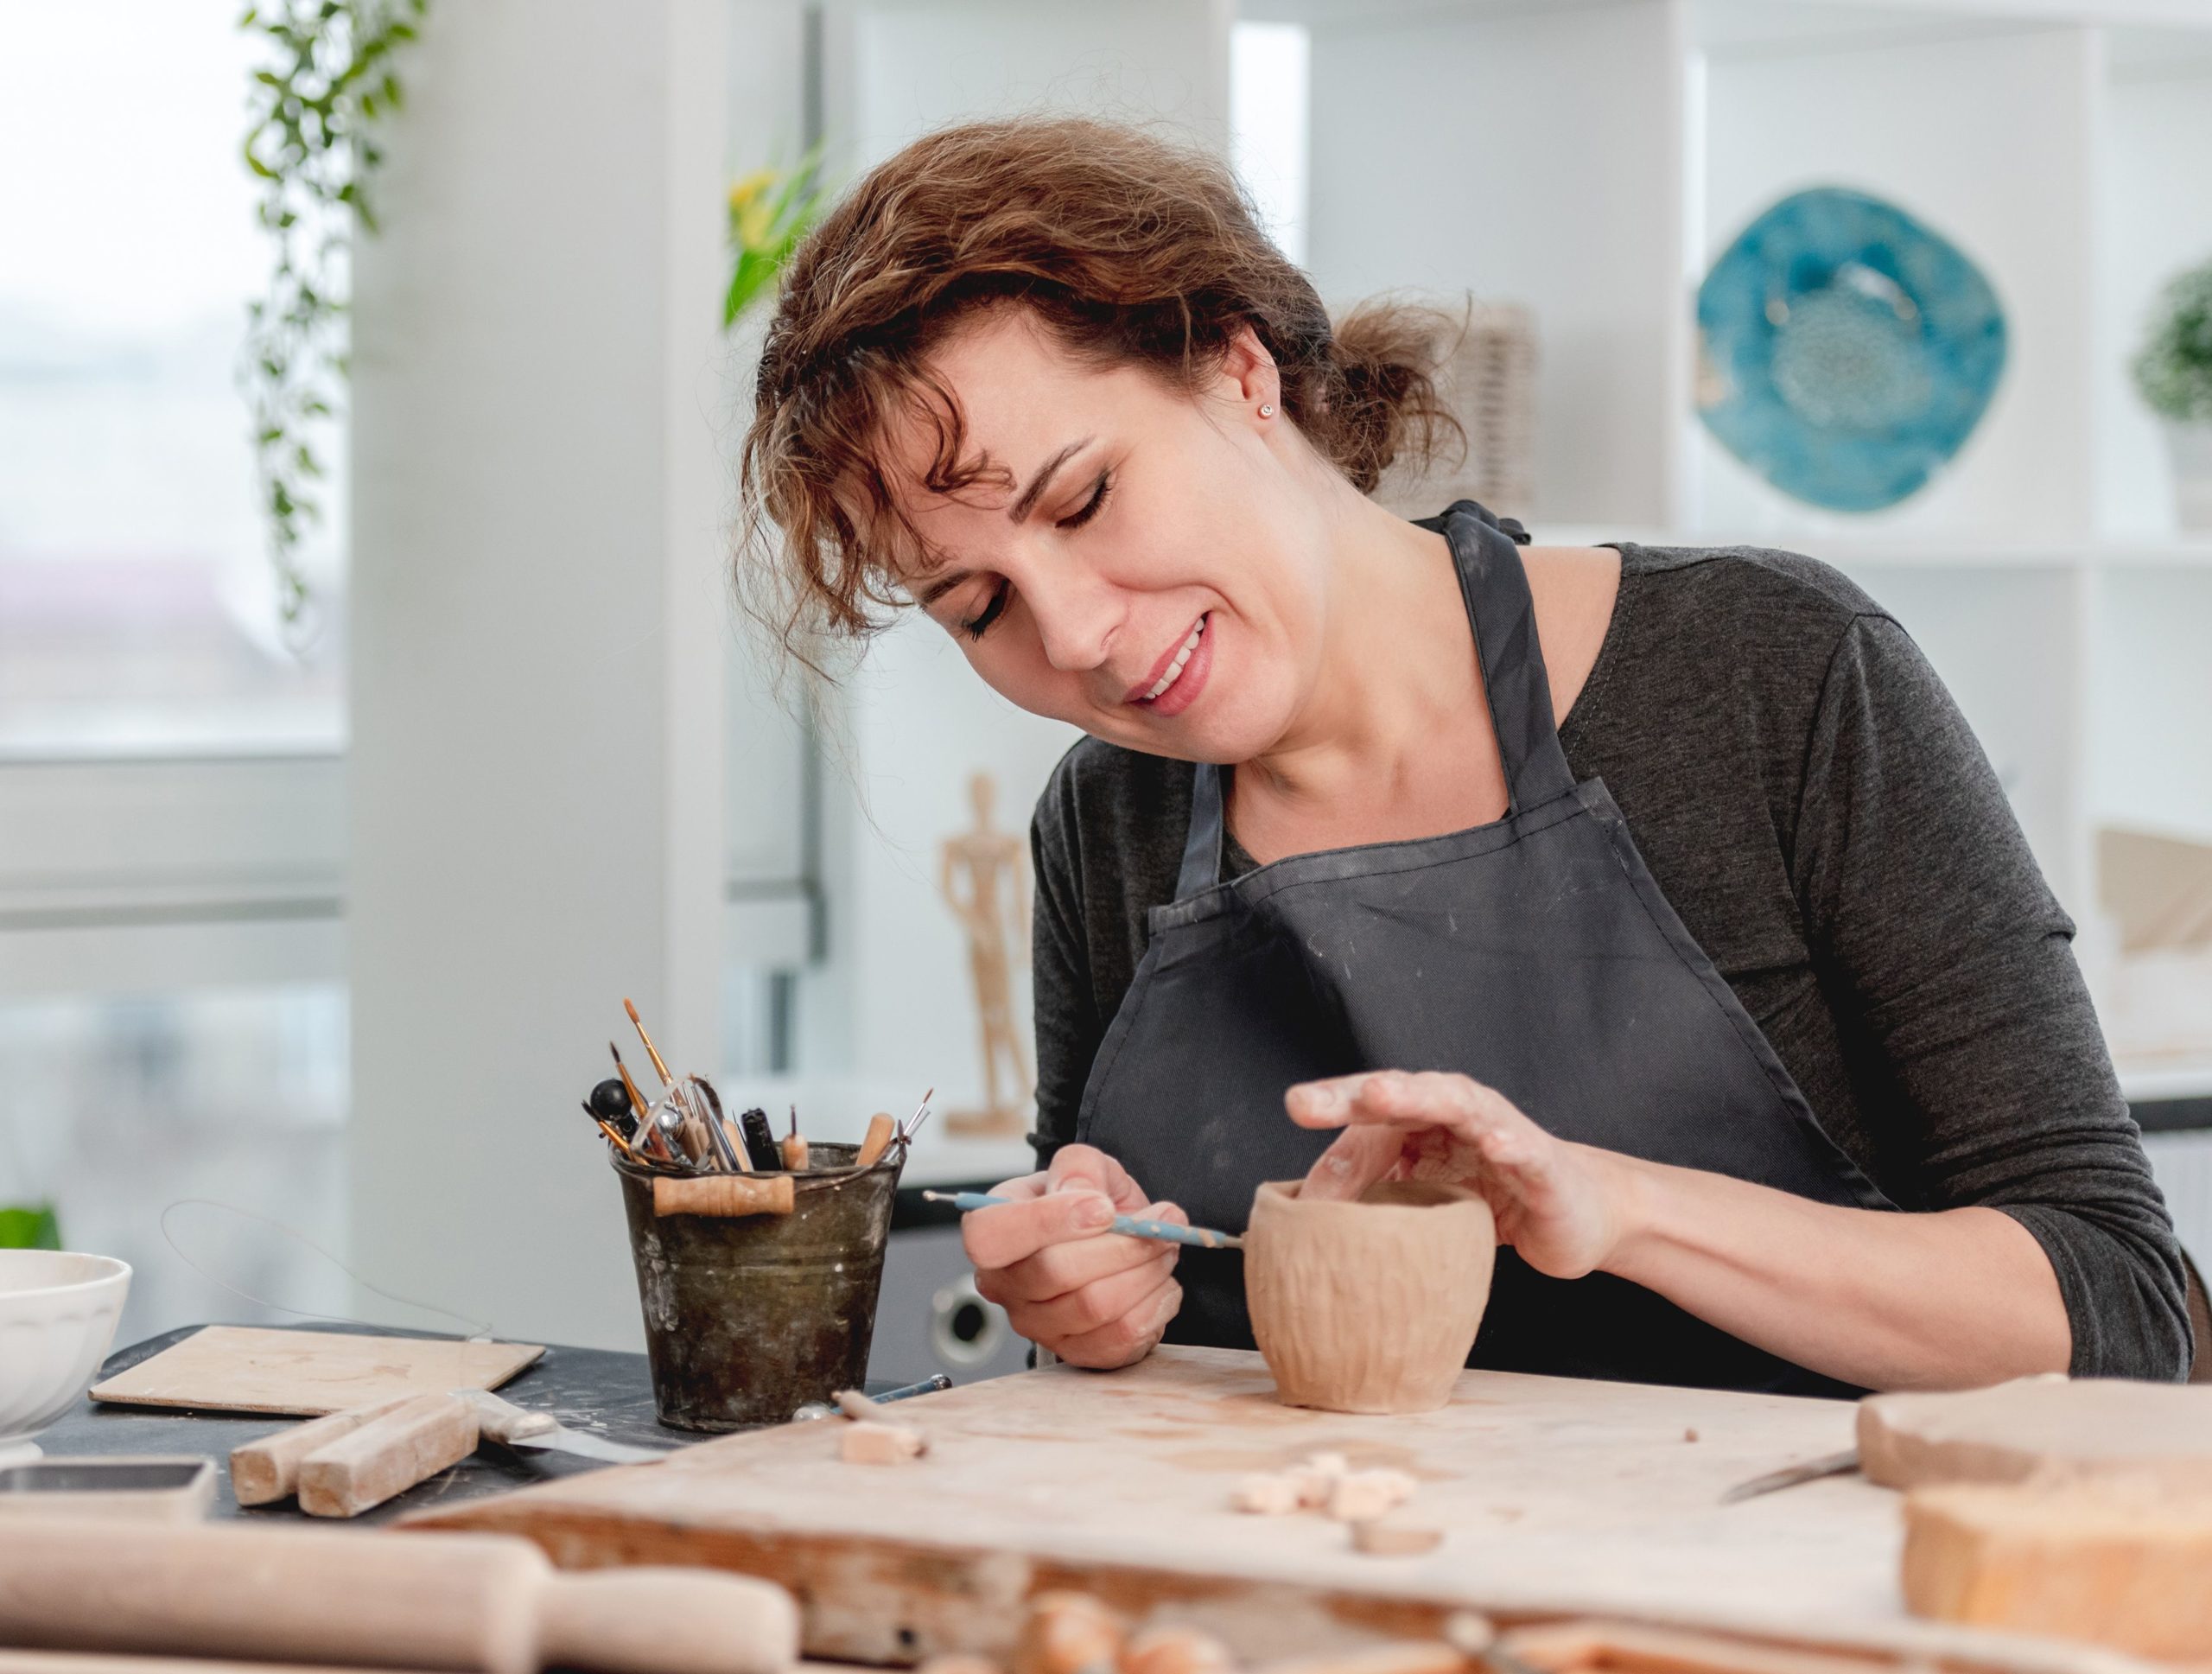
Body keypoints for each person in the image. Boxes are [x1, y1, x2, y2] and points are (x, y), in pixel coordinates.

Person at [738, 116, 2193, 1393]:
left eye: (1086, 498)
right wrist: (1095, 1303)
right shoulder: (1104, 825)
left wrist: (1617, 1207)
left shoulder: (1774, 674)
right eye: (976, 605)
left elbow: (2123, 1308)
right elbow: (1133, 1328)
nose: (1078, 641)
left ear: (1238, 371)